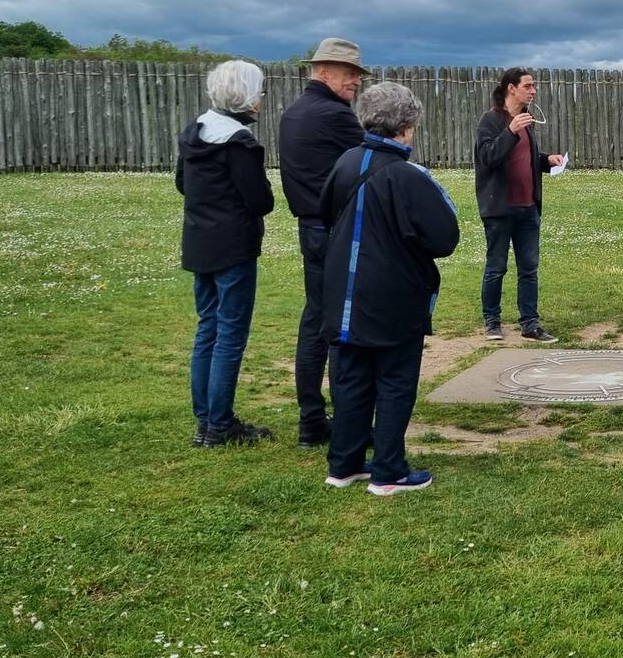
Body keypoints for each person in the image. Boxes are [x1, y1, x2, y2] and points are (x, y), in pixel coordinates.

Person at [317, 83, 461, 495]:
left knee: (349, 375)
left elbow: (325, 214)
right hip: (392, 294)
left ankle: (343, 463)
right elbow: (443, 238)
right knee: (395, 379)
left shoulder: (345, 162)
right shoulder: (407, 175)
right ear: (405, 126)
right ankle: (389, 470)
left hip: (342, 292)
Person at [176, 60, 276, 448]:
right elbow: (259, 201)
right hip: (234, 246)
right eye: (260, 92)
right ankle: (220, 424)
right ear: (247, 96)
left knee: (208, 329)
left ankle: (205, 420)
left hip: (200, 241)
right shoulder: (240, 143)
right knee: (230, 334)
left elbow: (183, 184)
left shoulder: (194, 132)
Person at [278, 37, 366, 447]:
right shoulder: (336, 116)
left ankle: (311, 419)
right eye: (349, 74)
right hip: (335, 228)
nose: (355, 82)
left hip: (310, 227)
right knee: (340, 325)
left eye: (357, 75)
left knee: (314, 321)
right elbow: (369, 167)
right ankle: (345, 421)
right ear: (324, 72)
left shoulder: (295, 112)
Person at [474, 67, 564, 343]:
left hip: (528, 208)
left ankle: (530, 323)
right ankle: (492, 322)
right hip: (499, 209)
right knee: (496, 267)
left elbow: (525, 158)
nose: (533, 90)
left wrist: (546, 160)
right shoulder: (490, 121)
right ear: (511, 88)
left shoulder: (528, 121)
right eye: (528, 86)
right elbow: (488, 157)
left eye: (533, 86)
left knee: (529, 268)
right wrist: (510, 131)